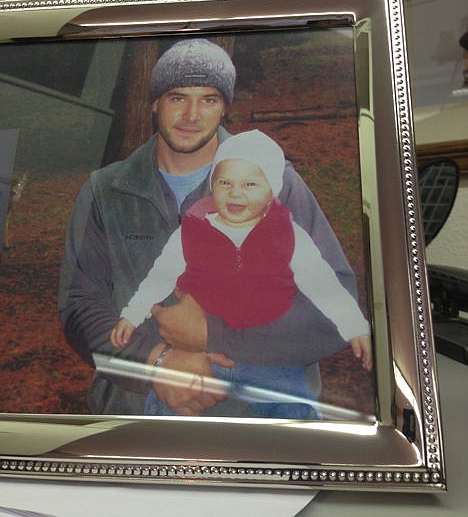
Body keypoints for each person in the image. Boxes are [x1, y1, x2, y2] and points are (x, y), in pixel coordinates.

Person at [58, 38, 365, 417]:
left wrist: (217, 336)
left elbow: (333, 304)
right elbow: (80, 306)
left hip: (257, 419)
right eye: (177, 97)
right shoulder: (106, 190)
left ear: (224, 109)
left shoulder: (277, 184)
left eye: (208, 99)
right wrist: (156, 363)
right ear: (154, 102)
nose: (191, 115)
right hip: (135, 418)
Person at [110, 130, 371, 419]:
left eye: (250, 184)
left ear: (271, 191)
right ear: (213, 187)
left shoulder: (287, 234)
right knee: (166, 410)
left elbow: (322, 283)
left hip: (272, 360)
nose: (235, 192)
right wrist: (132, 314)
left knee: (297, 419)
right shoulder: (192, 231)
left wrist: (353, 325)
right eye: (225, 182)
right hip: (205, 360)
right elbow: (160, 277)